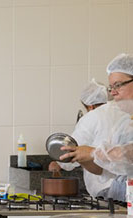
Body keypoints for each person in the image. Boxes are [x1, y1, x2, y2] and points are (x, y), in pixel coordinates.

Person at [55, 54, 133, 201]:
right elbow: (103, 169)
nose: (113, 92)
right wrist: (82, 157)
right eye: (111, 87)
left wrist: (93, 153)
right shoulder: (123, 123)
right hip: (123, 197)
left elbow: (129, 153)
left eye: (118, 85)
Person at [49, 79, 108, 171]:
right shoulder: (120, 113)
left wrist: (59, 164)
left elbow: (73, 149)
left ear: (90, 106)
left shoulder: (92, 117)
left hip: (101, 180)